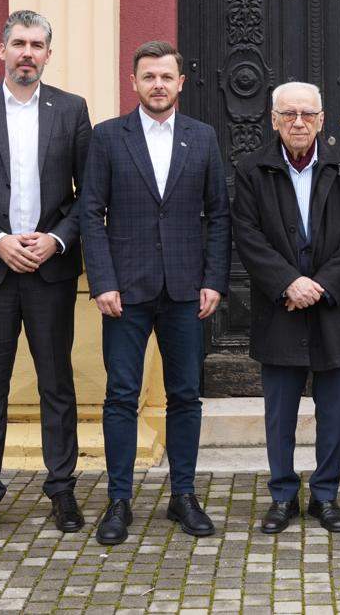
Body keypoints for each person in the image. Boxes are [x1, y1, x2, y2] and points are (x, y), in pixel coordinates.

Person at [0, 10, 92, 543]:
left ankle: (62, 490)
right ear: (1, 50)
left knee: (57, 386)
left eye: (37, 45)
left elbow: (89, 193)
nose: (27, 53)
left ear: (49, 54)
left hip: (51, 271)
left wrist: (55, 240)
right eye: (19, 44)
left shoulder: (71, 110)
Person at [80, 40, 230, 545]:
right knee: (122, 396)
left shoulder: (202, 137)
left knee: (185, 395)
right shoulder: (107, 137)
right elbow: (91, 213)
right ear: (134, 82)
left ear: (180, 82)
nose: (158, 85)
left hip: (186, 290)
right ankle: (119, 500)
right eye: (149, 76)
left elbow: (219, 214)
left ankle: (183, 494)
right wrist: (102, 281)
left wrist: (213, 279)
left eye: (167, 76)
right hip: (124, 292)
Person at [232, 82, 340, 535]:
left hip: (334, 309)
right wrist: (288, 282)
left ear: (321, 119)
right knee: (280, 414)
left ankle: (325, 495)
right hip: (280, 310)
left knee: (333, 413)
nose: (299, 122)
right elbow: (247, 235)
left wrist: (323, 285)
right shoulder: (252, 170)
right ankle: (282, 495)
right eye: (289, 114)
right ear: (274, 119)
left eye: (307, 114)